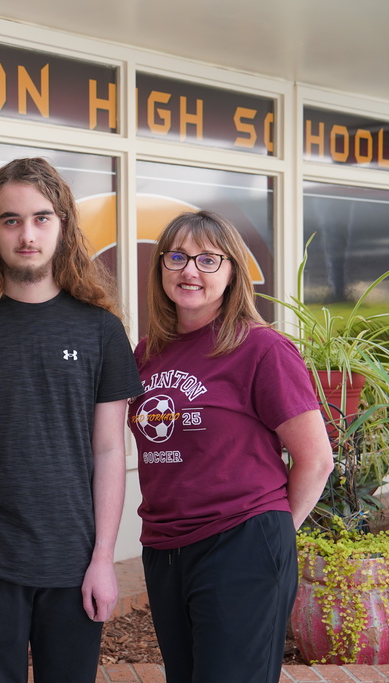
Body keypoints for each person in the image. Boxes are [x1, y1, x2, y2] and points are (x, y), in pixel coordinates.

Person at [0, 157, 144, 683]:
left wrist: (104, 559)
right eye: (11, 220)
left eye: (41, 218)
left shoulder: (101, 331)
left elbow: (109, 450)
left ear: (62, 226)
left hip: (74, 560)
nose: (27, 235)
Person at [128, 210, 334, 683]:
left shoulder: (261, 349)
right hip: (164, 546)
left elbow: (316, 459)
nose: (189, 270)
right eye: (177, 257)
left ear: (232, 272)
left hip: (240, 542)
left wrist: (266, 536)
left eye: (207, 259)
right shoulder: (146, 353)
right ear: (161, 267)